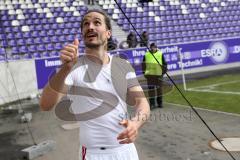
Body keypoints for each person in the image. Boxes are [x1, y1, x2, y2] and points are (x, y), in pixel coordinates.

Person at [39, 9, 150, 160]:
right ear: (83, 33)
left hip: (126, 151)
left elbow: (142, 103)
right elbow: (45, 105)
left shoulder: (122, 65)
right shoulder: (73, 68)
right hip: (93, 154)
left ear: (108, 33)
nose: (90, 26)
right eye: (86, 24)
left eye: (97, 22)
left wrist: (135, 124)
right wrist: (65, 69)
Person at [142, 43, 167, 109]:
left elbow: (164, 64)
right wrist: (144, 73)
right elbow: (143, 65)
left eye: (154, 47)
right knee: (151, 90)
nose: (153, 48)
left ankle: (160, 103)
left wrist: (163, 72)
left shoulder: (160, 54)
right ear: (150, 48)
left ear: (156, 48)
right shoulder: (146, 54)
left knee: (159, 90)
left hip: (159, 75)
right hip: (150, 75)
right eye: (152, 47)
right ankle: (152, 104)